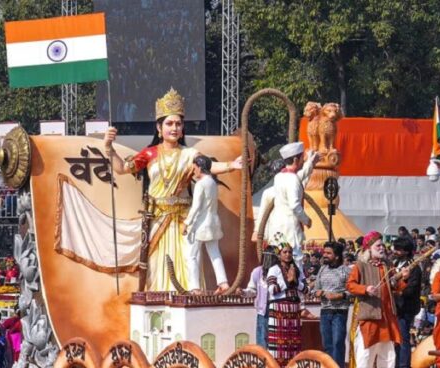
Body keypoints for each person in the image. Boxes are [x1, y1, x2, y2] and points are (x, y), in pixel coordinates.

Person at [104, 88, 242, 291]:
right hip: (158, 220)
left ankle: (191, 302)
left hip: (184, 221)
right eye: (169, 123)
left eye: (178, 123)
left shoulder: (190, 154)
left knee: (189, 262)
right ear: (159, 128)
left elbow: (209, 167)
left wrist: (231, 165)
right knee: (157, 266)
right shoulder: (149, 154)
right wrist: (109, 147)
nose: (174, 128)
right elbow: (122, 169)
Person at [346, 231, 404, 368]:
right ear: (369, 248)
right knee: (366, 347)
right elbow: (350, 285)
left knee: (387, 347)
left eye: (382, 245)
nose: (382, 248)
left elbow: (395, 287)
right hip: (370, 312)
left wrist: (401, 278)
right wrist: (365, 289)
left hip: (387, 313)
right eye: (378, 245)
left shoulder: (387, 266)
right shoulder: (360, 266)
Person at [253, 143, 319, 265]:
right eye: (301, 158)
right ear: (295, 159)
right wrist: (306, 220)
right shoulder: (292, 179)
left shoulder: (280, 177)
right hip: (290, 230)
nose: (302, 161)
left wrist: (310, 162)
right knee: (294, 263)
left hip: (278, 230)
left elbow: (300, 177)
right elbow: (294, 205)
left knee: (279, 263)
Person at [183, 154, 230, 294]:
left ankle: (195, 287)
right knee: (214, 253)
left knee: (192, 255)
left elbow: (196, 206)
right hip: (213, 223)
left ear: (199, 167)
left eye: (195, 168)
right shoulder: (212, 182)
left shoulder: (201, 184)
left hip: (201, 225)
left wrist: (187, 223)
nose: (194, 171)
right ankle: (223, 282)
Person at [312, 241, 350, 368]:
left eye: (329, 253)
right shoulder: (322, 269)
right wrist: (319, 292)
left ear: (337, 256)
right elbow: (315, 289)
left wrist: (341, 295)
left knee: (338, 342)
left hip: (340, 311)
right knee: (327, 343)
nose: (325, 255)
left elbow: (354, 291)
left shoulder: (346, 271)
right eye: (324, 252)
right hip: (325, 311)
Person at [266, 242, 306, 365]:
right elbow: (271, 289)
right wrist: (287, 282)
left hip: (294, 309)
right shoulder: (274, 269)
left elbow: (306, 289)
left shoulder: (297, 269)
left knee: (293, 340)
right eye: (285, 252)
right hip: (278, 308)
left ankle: (292, 367)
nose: (288, 255)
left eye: (290, 252)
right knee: (278, 340)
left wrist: (295, 281)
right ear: (279, 255)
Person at [392, 237, 422, 368]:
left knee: (403, 338)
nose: (395, 252)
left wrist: (400, 288)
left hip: (406, 307)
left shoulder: (414, 267)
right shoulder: (396, 264)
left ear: (406, 251)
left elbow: (412, 289)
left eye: (398, 249)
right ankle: (396, 367)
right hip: (395, 307)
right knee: (396, 339)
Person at [244, 247, 276, 348]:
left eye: (271, 258)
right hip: (263, 312)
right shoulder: (257, 272)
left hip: (276, 311)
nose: (268, 260)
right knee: (262, 340)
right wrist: (244, 292)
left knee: (275, 340)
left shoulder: (279, 272)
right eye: (266, 257)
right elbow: (252, 290)